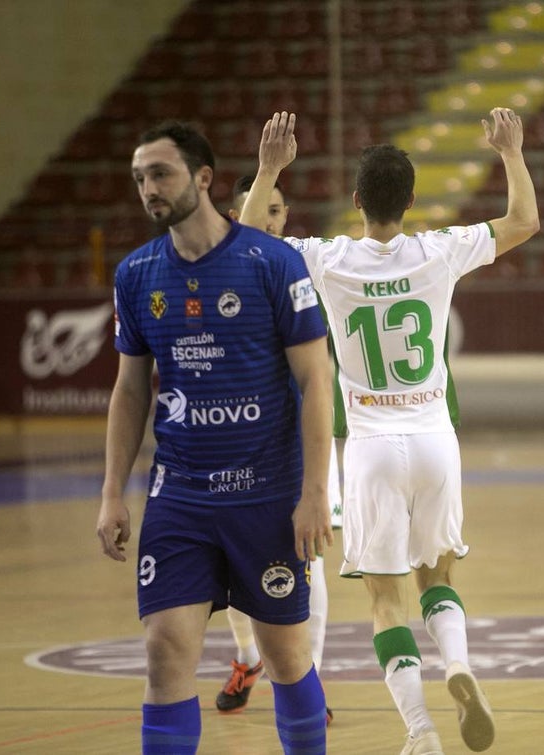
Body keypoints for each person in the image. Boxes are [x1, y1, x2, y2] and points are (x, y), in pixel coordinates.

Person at [241, 108, 538, 755]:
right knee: (440, 579)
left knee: (384, 602)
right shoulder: (439, 249)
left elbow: (245, 245)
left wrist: (269, 169)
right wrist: (510, 152)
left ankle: (422, 731)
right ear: (410, 201)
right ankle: (458, 664)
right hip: (435, 436)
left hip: (370, 445)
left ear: (355, 201)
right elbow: (524, 222)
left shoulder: (330, 258)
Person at [95, 120, 334, 755]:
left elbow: (317, 380)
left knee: (286, 655)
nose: (149, 188)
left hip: (267, 495)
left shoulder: (273, 264)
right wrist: (112, 493)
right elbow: (129, 391)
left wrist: (316, 494)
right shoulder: (137, 274)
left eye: (161, 173)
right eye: (140, 177)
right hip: (181, 497)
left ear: (202, 178)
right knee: (164, 649)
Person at [204, 176, 343, 720]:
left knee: (311, 560)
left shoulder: (304, 262)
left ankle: (314, 680)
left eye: (279, 210)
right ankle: (246, 659)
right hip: (233, 439)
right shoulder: (211, 271)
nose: (270, 219)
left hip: (297, 437)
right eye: (259, 210)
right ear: (235, 217)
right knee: (232, 564)